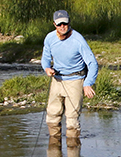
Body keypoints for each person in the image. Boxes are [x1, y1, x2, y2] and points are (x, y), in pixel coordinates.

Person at [41, 9, 98, 145]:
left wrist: (87, 83)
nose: (62, 27)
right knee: (52, 116)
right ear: (54, 24)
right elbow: (45, 58)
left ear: (69, 23)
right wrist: (47, 68)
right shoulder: (50, 38)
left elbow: (92, 63)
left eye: (65, 24)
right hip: (57, 80)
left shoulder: (78, 40)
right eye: (59, 24)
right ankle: (55, 154)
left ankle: (73, 155)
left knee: (72, 119)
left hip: (75, 80)